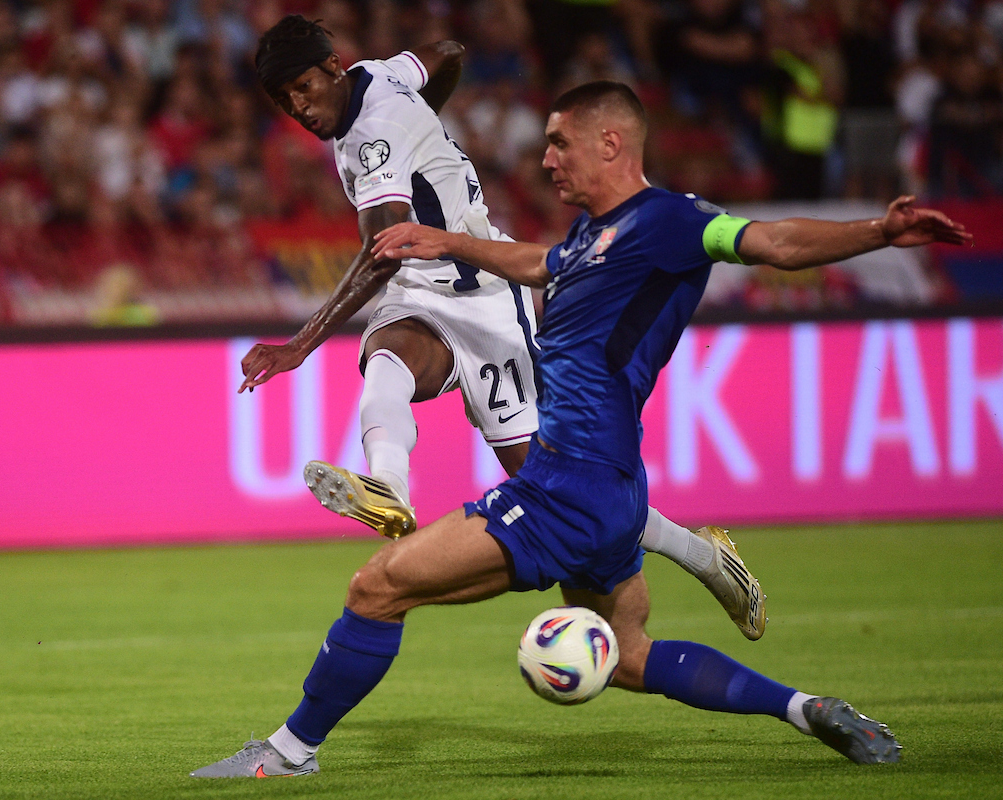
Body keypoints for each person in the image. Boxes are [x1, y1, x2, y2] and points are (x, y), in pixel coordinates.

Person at [192, 80, 972, 778]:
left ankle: (287, 754)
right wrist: (449, 241)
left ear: (611, 142)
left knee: (377, 586)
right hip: (613, 493)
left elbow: (773, 242)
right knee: (627, 656)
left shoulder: (670, 221)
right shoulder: (593, 236)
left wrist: (878, 230)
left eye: (560, 143)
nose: (547, 161)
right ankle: (806, 708)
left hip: (565, 490)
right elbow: (540, 264)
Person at [238, 15, 766, 642]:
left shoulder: (378, 130)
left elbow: (381, 254)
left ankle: (701, 554)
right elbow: (446, 51)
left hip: (484, 298)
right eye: (284, 100)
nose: (299, 108)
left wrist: (299, 345)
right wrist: (425, 119)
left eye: (303, 87)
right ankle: (389, 488)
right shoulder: (381, 77)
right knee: (385, 360)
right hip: (419, 290)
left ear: (333, 67)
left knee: (556, 491)